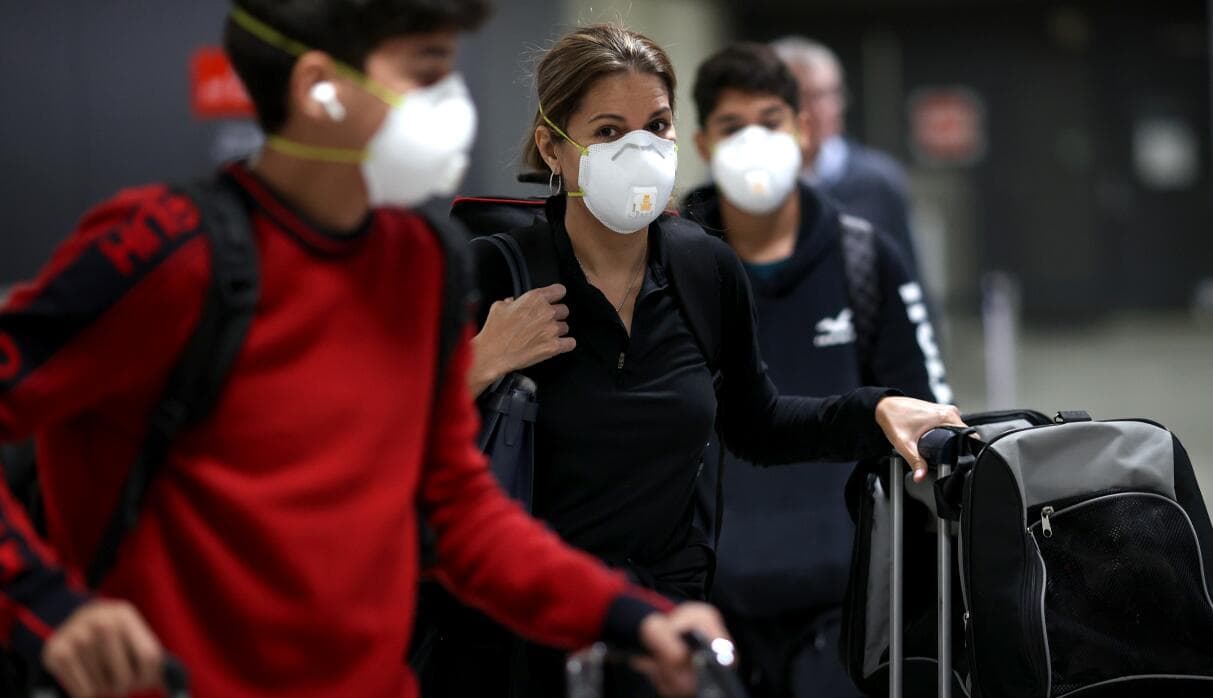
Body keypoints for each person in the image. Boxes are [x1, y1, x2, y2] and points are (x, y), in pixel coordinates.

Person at [0, 3, 732, 697]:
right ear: (318, 86)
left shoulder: (421, 264)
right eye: (425, 70)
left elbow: (459, 511)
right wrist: (45, 603)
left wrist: (632, 619)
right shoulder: (168, 250)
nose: (451, 101)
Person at [465, 23, 965, 697]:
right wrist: (477, 364)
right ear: (554, 146)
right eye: (609, 131)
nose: (638, 149)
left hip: (669, 633)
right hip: (527, 632)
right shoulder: (498, 271)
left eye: (656, 125)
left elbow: (755, 423)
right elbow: (398, 446)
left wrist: (871, 410)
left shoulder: (702, 267)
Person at [682, 43, 952, 697]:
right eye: (731, 126)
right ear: (701, 142)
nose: (753, 141)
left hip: (846, 602)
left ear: (803, 129)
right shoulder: (671, 263)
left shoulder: (864, 257)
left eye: (769, 121)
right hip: (706, 605)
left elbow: (924, 411)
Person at [771, 36, 923, 277]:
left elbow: (909, 275)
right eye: (804, 96)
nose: (820, 109)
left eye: (830, 94)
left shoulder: (878, 180)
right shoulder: (748, 181)